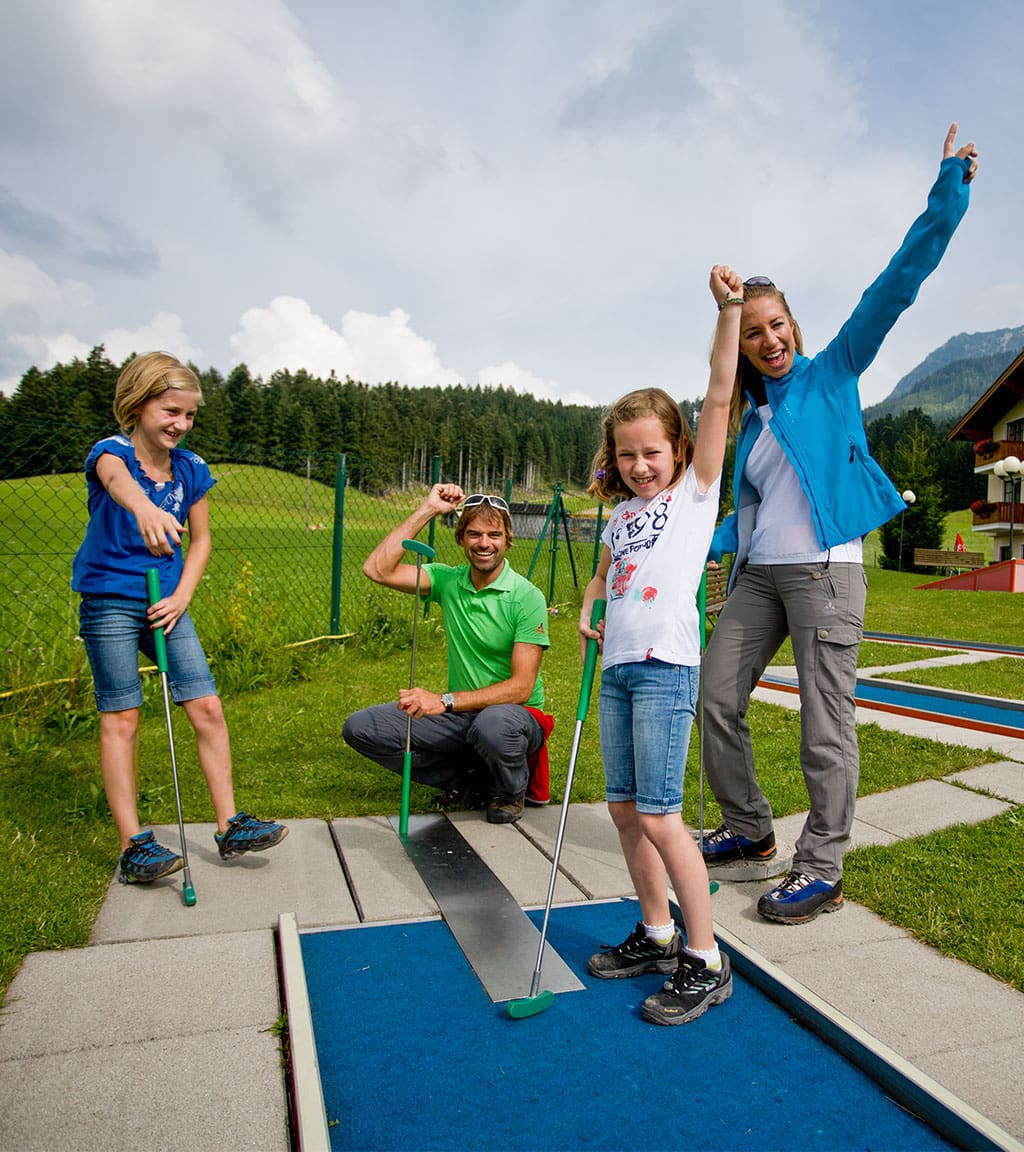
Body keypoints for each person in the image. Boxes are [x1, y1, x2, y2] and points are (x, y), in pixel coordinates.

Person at [700, 124, 979, 925]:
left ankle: (820, 866)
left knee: (825, 726)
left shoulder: (834, 374)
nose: (769, 340)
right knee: (716, 698)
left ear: (794, 324)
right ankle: (750, 830)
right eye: (753, 333)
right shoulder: (750, 421)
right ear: (742, 345)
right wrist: (695, 549)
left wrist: (947, 191)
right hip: (761, 580)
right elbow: (743, 511)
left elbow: (898, 282)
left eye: (776, 324)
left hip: (826, 572)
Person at [578, 264, 742, 1026]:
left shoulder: (693, 496)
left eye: (652, 453)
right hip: (617, 672)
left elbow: (716, 392)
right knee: (622, 810)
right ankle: (655, 930)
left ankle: (704, 960)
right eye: (625, 456)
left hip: (666, 671)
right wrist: (588, 607)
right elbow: (607, 574)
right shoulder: (618, 519)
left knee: (662, 816)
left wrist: (730, 310)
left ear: (677, 449)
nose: (639, 467)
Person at [72, 352, 288, 886]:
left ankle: (230, 824)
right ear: (138, 404)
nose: (180, 425)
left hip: (166, 605)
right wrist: (144, 509)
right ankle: (133, 846)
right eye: (171, 411)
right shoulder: (112, 453)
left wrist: (183, 597)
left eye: (189, 416)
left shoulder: (191, 469)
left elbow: (203, 540)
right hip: (110, 601)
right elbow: (116, 478)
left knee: (208, 706)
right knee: (121, 716)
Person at [342, 486, 551, 824]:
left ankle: (510, 791)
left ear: (508, 540)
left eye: (494, 534)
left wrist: (445, 700)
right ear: (461, 539)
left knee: (493, 724)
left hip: (514, 717)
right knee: (362, 727)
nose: (484, 543)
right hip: (462, 717)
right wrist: (427, 509)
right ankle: (468, 778)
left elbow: (521, 689)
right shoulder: (447, 581)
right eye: (474, 534)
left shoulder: (527, 597)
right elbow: (377, 570)